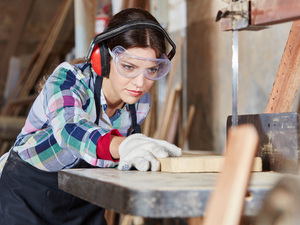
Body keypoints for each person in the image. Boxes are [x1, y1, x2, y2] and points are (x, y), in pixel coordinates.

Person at [0, 7, 181, 225]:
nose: (140, 83)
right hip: (28, 193)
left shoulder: (140, 103)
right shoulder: (68, 79)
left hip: (83, 200)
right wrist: (123, 146)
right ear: (103, 58)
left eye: (152, 70)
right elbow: (70, 132)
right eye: (128, 66)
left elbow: (110, 162)